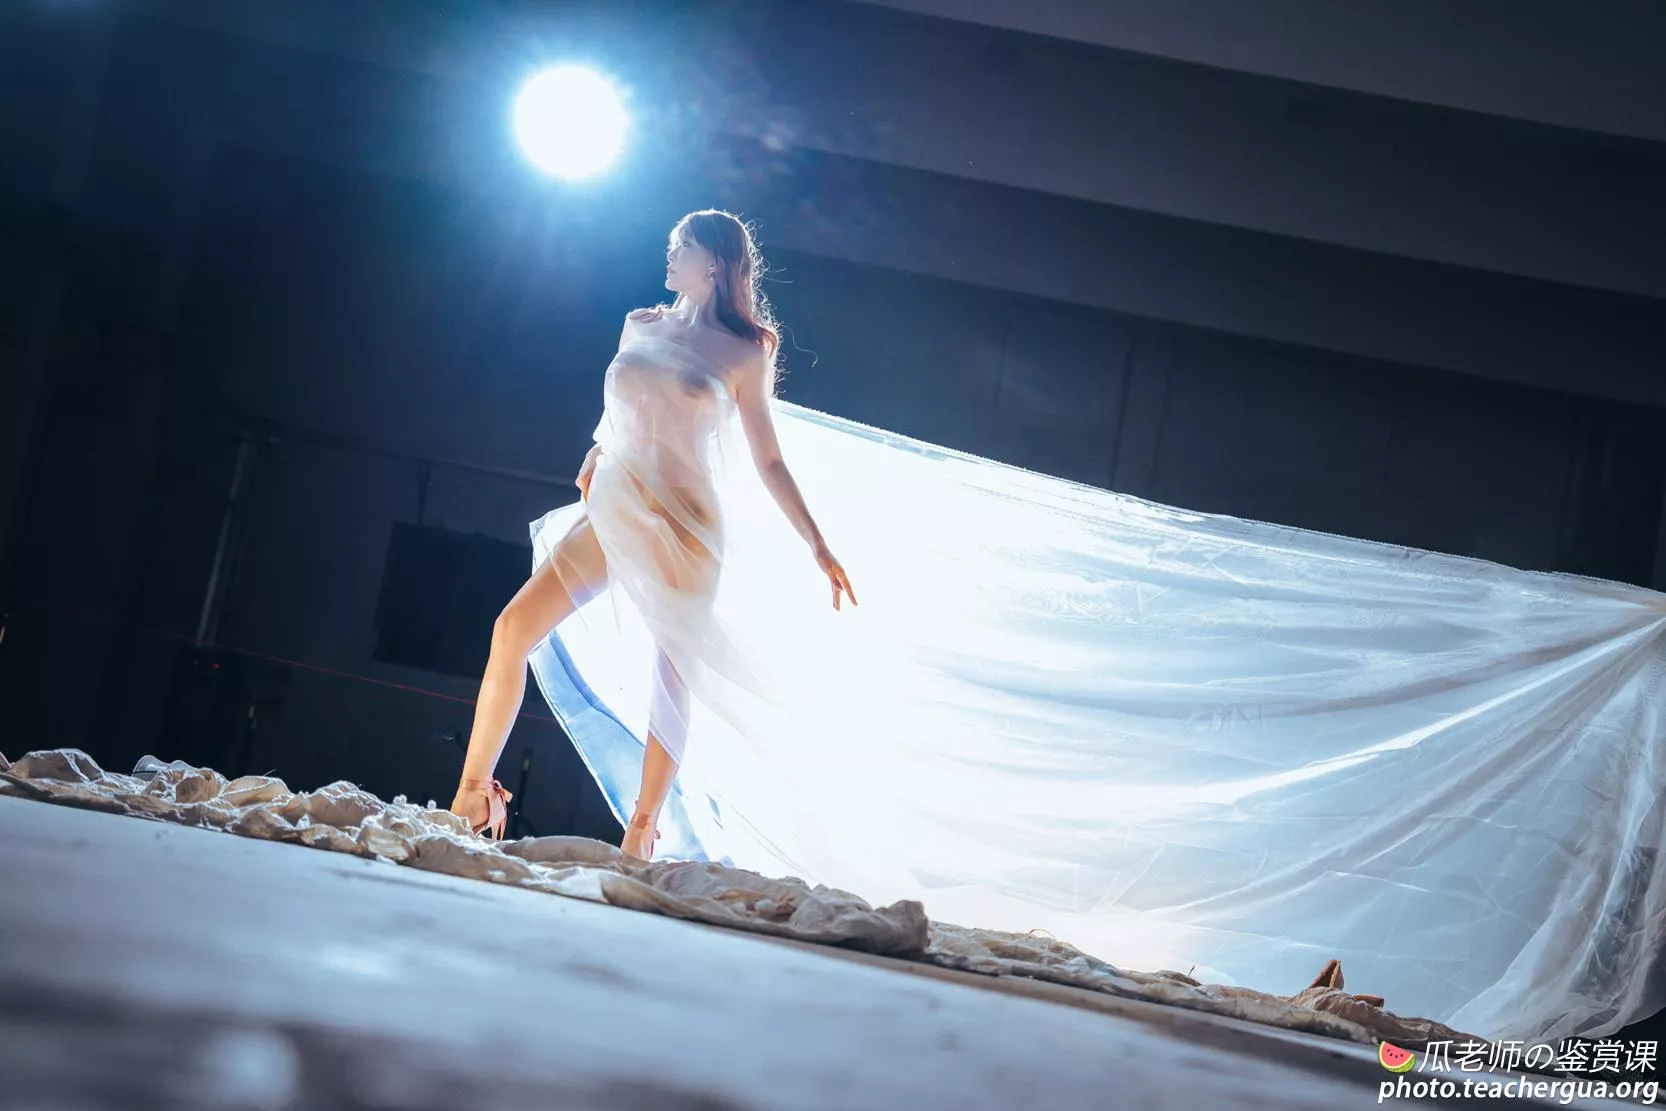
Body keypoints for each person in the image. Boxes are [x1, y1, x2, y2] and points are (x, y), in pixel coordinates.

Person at [448, 210, 856, 857]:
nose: (668, 254)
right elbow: (615, 415)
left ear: (713, 262)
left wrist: (818, 543)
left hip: (687, 526)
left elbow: (769, 460)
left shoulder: (746, 352)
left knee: (670, 682)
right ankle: (474, 794)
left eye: (680, 246)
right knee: (512, 628)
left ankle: (640, 831)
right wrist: (595, 450)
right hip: (620, 504)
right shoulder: (640, 323)